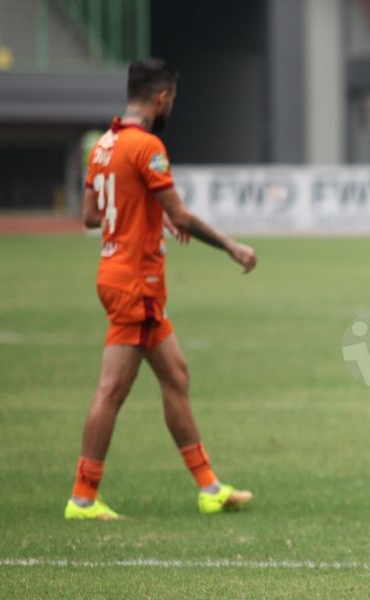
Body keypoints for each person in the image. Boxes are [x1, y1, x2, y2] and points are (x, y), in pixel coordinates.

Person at [66, 58, 258, 521]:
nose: (172, 104)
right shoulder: (147, 146)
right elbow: (184, 214)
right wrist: (232, 247)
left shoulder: (106, 144)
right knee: (112, 389)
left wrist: (148, 215)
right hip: (138, 282)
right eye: (171, 97)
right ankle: (83, 497)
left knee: (176, 375)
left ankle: (209, 487)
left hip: (115, 274)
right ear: (160, 97)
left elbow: (91, 216)